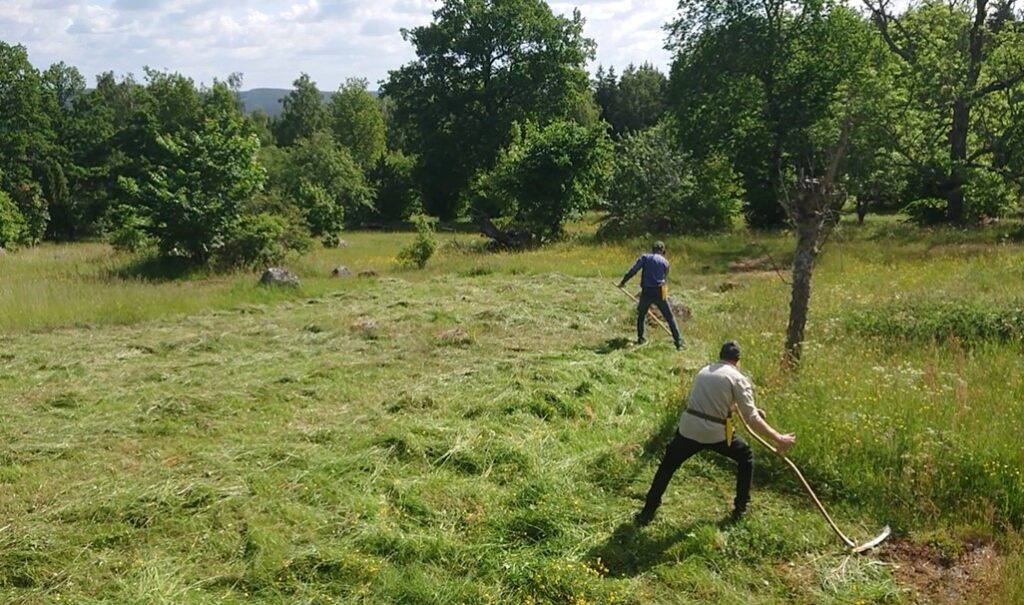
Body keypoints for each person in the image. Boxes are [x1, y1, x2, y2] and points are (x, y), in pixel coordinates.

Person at [634, 340, 796, 526]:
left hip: (688, 428)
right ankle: (741, 509)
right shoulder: (738, 378)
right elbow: (751, 418)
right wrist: (779, 438)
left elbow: (717, 402)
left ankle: (647, 511)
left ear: (721, 357)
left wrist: (741, 410)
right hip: (715, 433)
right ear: (737, 361)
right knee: (746, 457)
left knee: (668, 464)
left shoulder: (704, 372)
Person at [618, 241, 683, 350]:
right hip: (660, 291)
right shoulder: (665, 262)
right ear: (663, 251)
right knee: (670, 317)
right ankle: (678, 343)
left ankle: (641, 338)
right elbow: (665, 278)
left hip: (647, 291)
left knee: (641, 315)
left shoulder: (645, 258)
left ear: (652, 249)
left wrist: (623, 282)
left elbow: (633, 270)